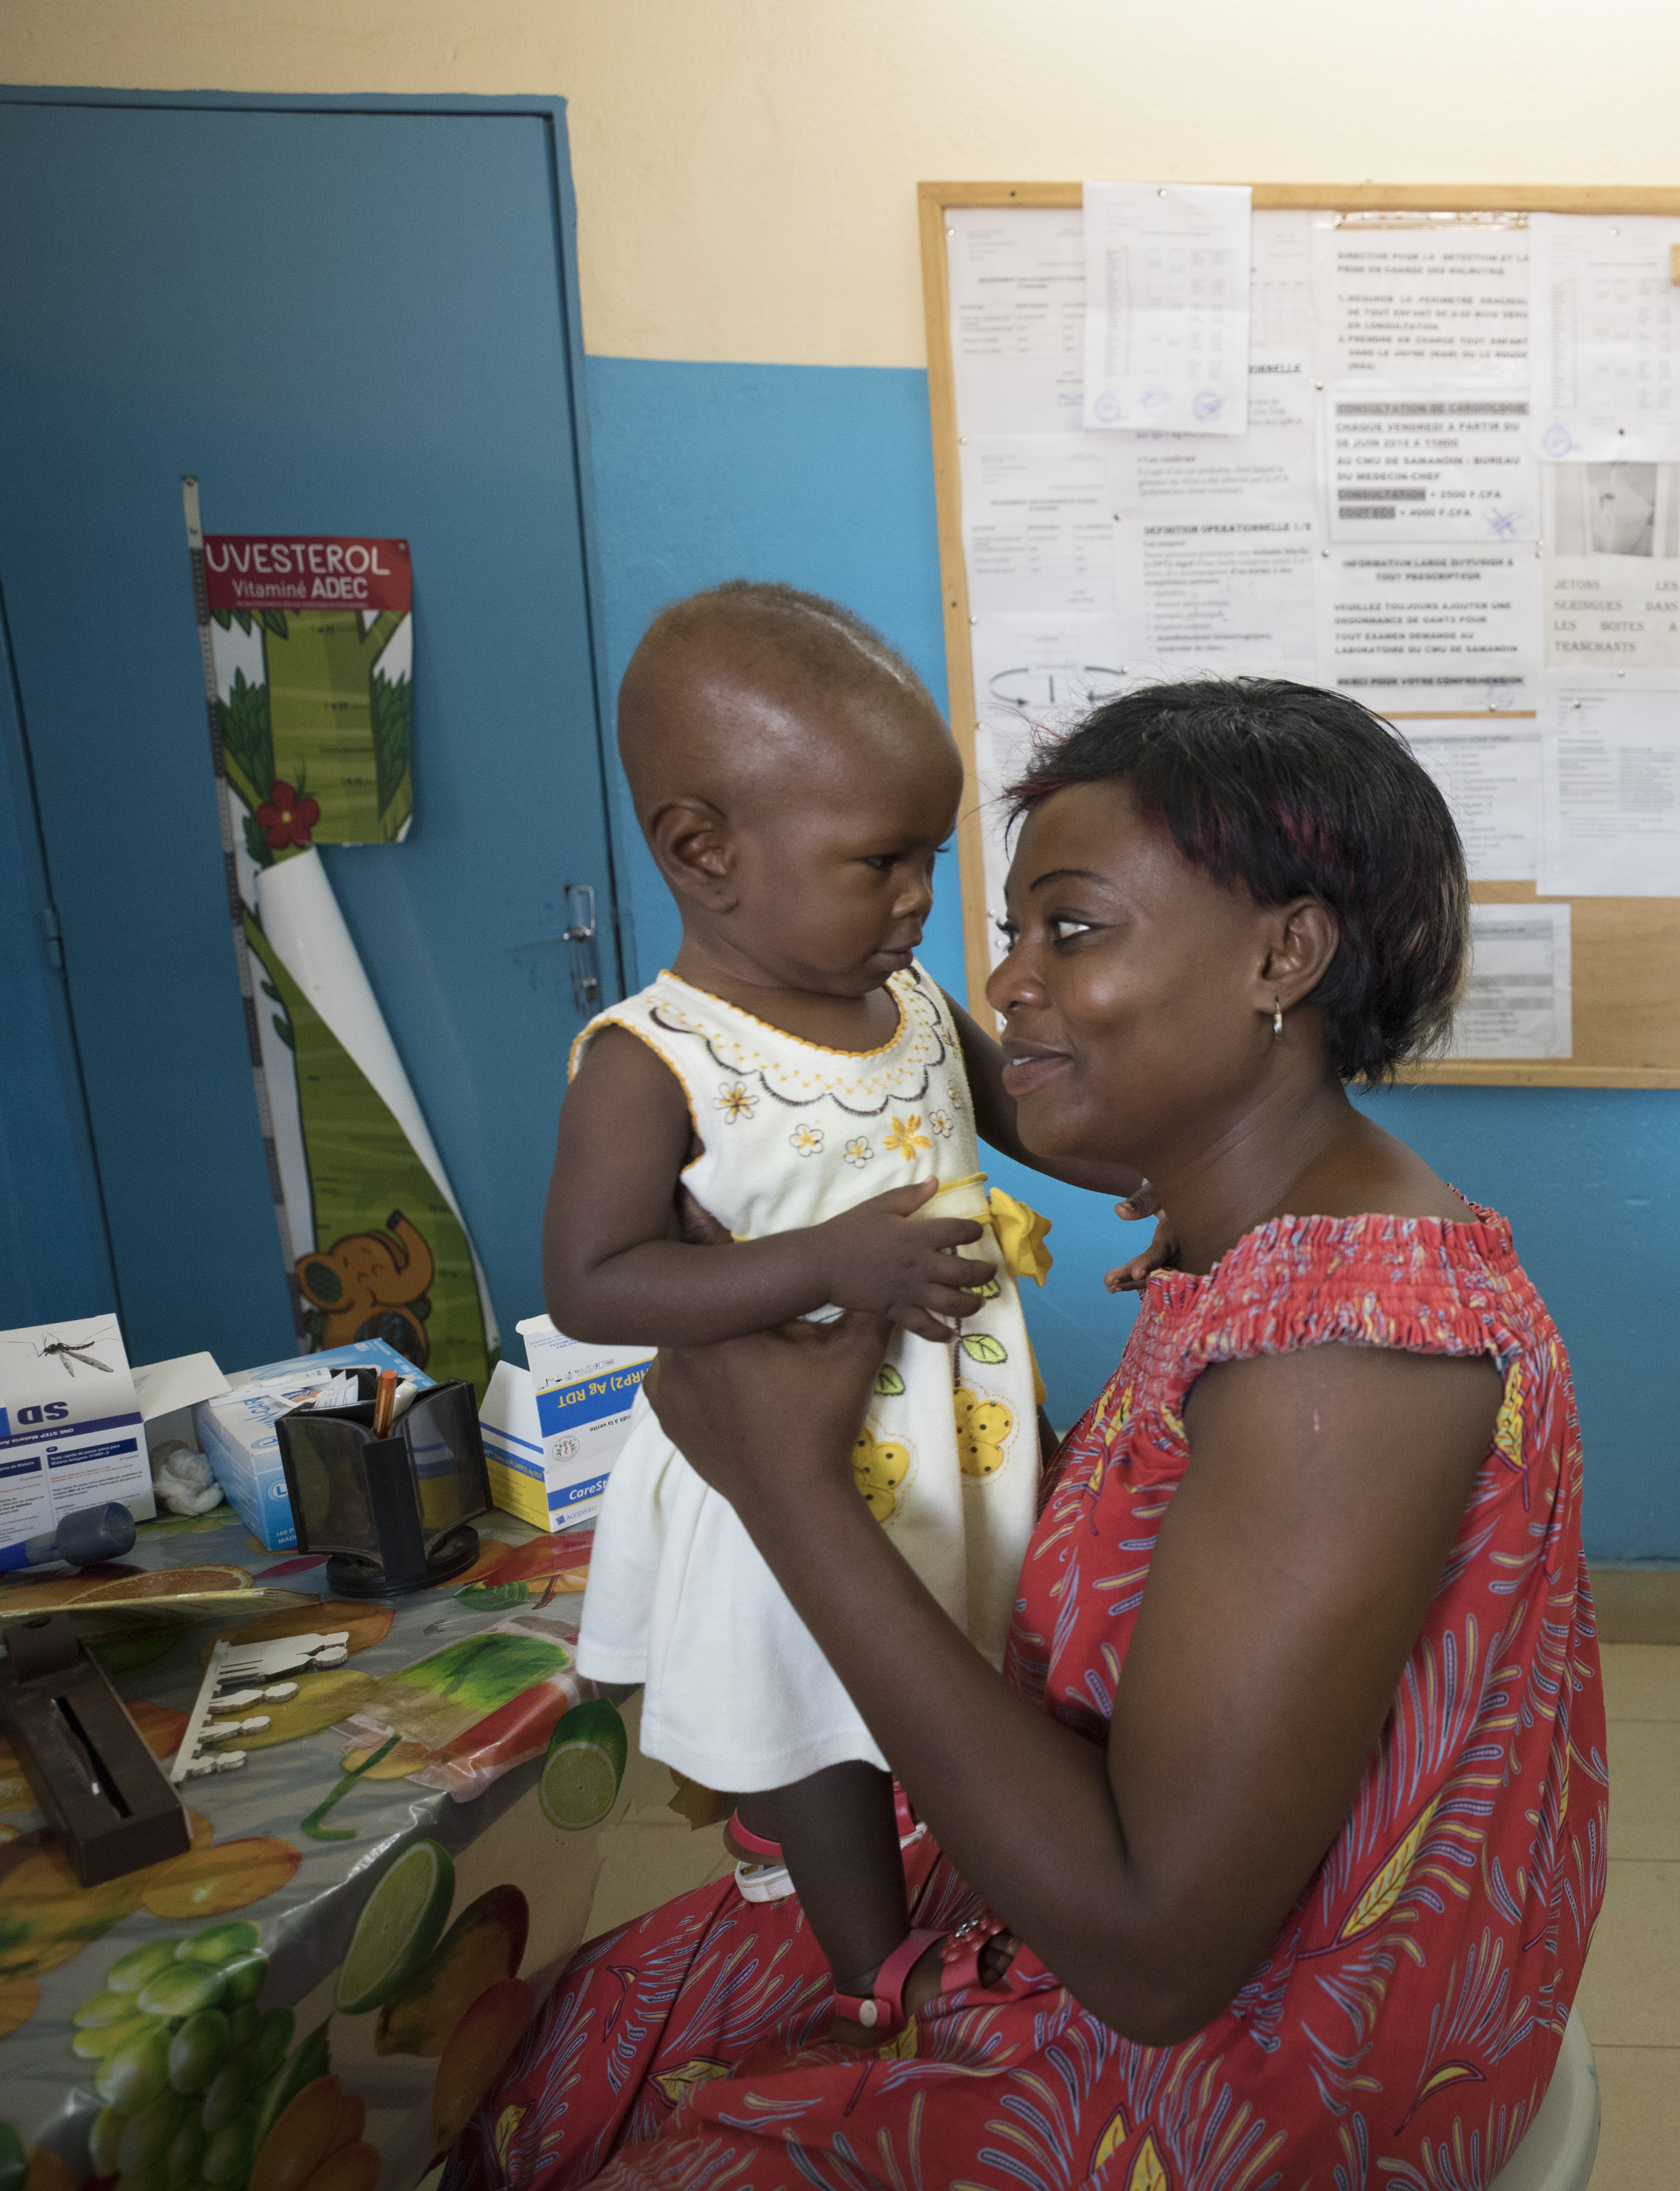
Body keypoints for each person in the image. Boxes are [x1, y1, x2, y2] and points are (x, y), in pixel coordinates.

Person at [465, 676, 1604, 2188]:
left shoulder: (1342, 1344)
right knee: (583, 2026)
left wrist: (789, 1489)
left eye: (1070, 930)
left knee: (606, 2114)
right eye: (1010, 935)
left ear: (1286, 953)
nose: (1001, 982)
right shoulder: (1260, 1251)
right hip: (1166, 1934)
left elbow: (1151, 1954)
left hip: (1236, 2068)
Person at [541, 581, 1123, 2032]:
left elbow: (1035, 1128)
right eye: (881, 863)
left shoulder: (915, 998)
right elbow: (594, 1282)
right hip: (782, 1459)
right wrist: (832, 1261)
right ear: (704, 853)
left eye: (931, 858)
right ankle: (872, 1968)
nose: (920, 901)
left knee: (961, 1657)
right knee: (819, 1713)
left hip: (955, 1418)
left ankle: (967, 1867)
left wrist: (1172, 1143)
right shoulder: (655, 1058)